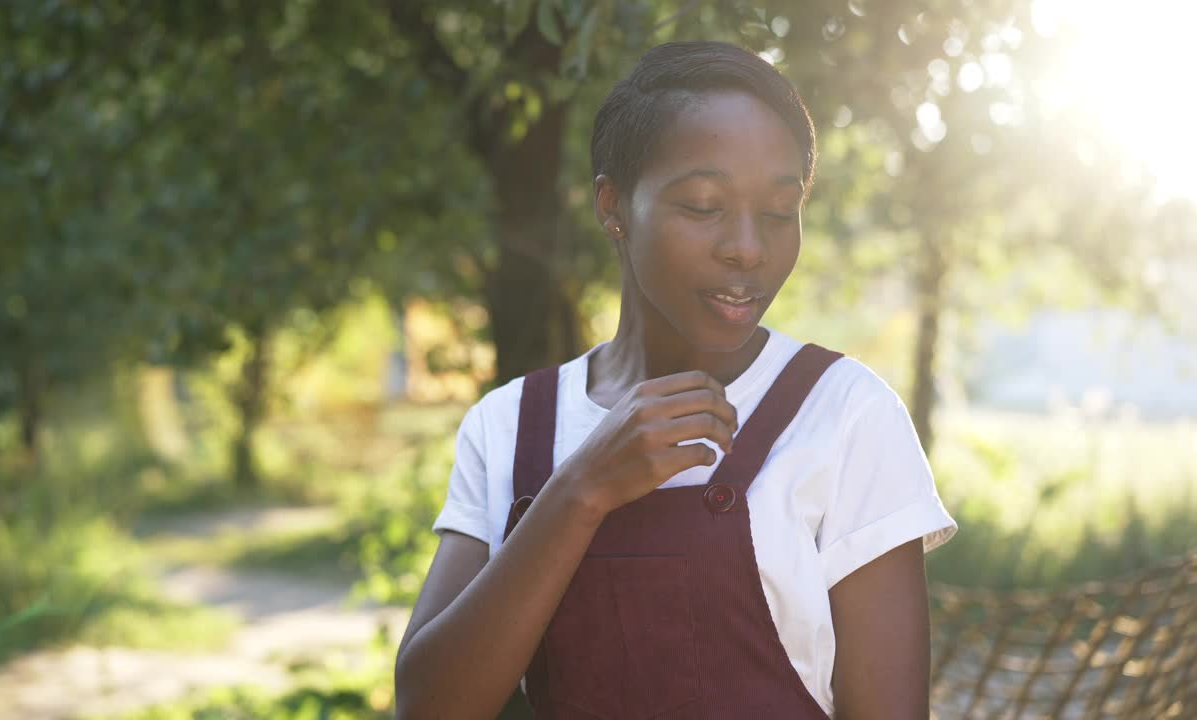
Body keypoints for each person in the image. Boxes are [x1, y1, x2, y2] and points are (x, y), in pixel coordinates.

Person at [394, 40, 957, 720]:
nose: (747, 246)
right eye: (702, 206)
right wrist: (581, 489)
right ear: (613, 207)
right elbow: (427, 707)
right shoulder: (512, 425)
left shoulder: (845, 416)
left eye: (779, 213)